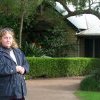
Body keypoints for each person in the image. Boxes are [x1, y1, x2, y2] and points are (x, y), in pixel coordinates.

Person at [0, 28, 29, 100]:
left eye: (10, 38)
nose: (8, 40)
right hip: (5, 92)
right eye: (5, 38)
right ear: (1, 39)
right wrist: (15, 69)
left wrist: (24, 69)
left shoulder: (18, 51)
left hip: (19, 91)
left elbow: (26, 63)